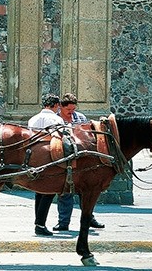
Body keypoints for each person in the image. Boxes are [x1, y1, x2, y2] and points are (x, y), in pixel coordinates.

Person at [53, 93, 105, 231]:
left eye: (73, 110)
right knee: (66, 191)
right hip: (64, 157)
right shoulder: (55, 118)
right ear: (61, 108)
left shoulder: (80, 117)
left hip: (82, 158)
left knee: (86, 192)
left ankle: (90, 218)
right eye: (68, 110)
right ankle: (63, 222)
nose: (71, 113)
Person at [28, 93, 64, 236]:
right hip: (50, 158)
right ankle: (40, 224)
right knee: (48, 192)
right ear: (55, 105)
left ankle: (38, 222)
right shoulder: (56, 119)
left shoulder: (33, 119)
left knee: (39, 191)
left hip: (33, 158)